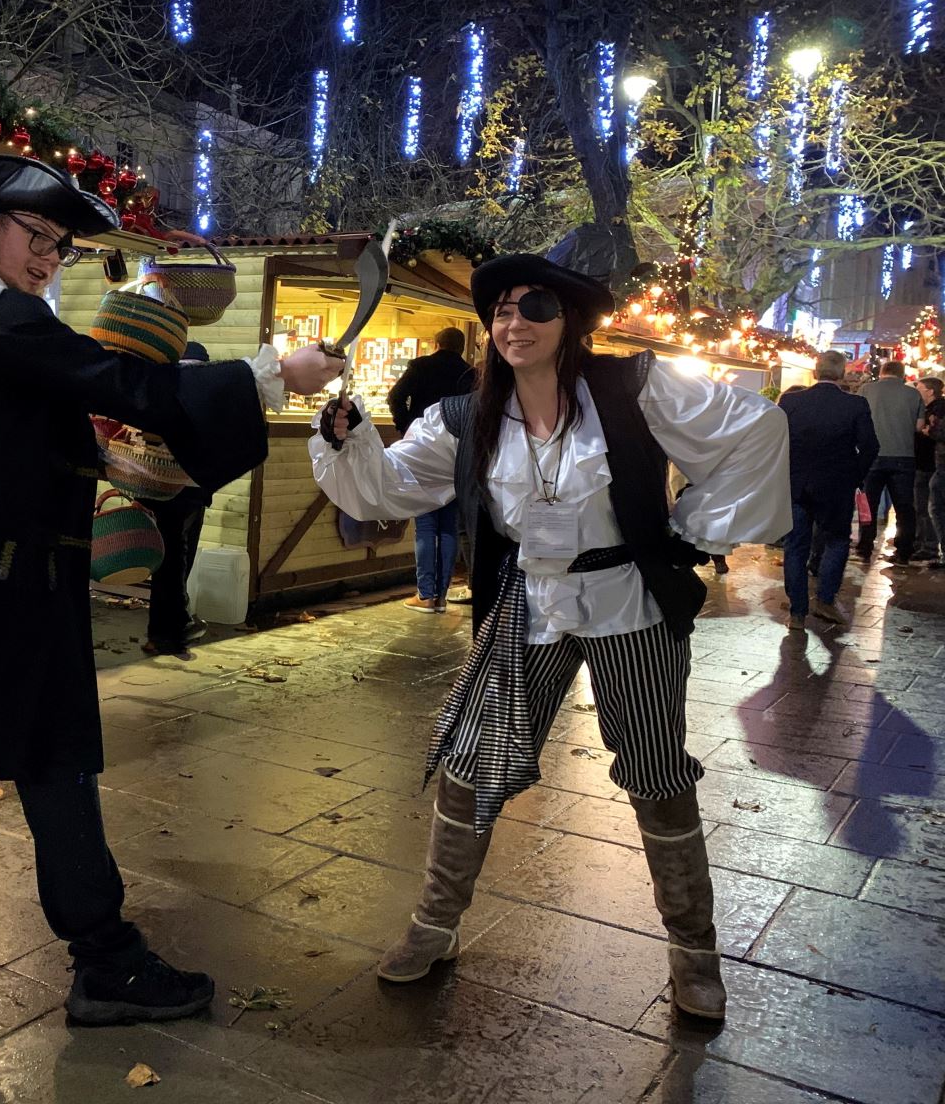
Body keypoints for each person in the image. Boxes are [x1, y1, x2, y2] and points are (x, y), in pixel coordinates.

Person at [0, 154, 343, 1026]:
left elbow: (4, 409)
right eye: (38, 238)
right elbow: (118, 381)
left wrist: (88, 455)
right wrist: (269, 377)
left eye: (60, 247)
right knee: (49, 747)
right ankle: (104, 958)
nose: (47, 259)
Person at [311, 251, 789, 1022]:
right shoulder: (468, 414)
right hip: (528, 603)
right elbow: (390, 486)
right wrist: (346, 436)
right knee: (471, 762)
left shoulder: (632, 386)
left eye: (534, 308)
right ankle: (434, 925)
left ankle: (695, 954)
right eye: (500, 311)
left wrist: (692, 528)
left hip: (625, 601)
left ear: (570, 324)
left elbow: (755, 427)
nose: (512, 322)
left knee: (657, 772)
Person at [779, 351, 878, 628]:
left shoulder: (791, 401)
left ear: (815, 371)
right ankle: (824, 600)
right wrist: (854, 476)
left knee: (795, 546)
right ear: (843, 373)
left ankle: (797, 612)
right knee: (836, 541)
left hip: (797, 484)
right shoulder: (855, 405)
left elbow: (776, 440)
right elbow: (870, 446)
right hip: (836, 486)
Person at [388, 327, 477, 612]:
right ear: (462, 348)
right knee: (449, 525)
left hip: (423, 450)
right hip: (456, 454)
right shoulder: (470, 374)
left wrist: (406, 426)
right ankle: (440, 595)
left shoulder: (421, 366)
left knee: (425, 524)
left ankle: (425, 595)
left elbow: (395, 396)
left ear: (436, 343)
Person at [139, 342, 214, 656]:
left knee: (168, 561)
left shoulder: (160, 396)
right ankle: (172, 629)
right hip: (186, 492)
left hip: (159, 490)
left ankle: (167, 630)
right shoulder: (203, 403)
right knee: (176, 559)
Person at [856, 361, 923, 563]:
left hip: (872, 456)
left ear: (882, 372)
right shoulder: (914, 394)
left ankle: (865, 547)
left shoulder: (866, 389)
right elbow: (919, 427)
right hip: (904, 457)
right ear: (902, 375)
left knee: (868, 504)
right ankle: (904, 551)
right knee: (904, 506)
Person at [914, 377, 944, 565]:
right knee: (925, 507)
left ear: (930, 391)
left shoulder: (939, 408)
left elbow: (938, 432)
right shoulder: (928, 409)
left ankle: (929, 546)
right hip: (928, 464)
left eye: (920, 388)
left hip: (932, 465)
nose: (917, 391)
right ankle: (924, 543)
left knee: (930, 507)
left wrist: (927, 431)